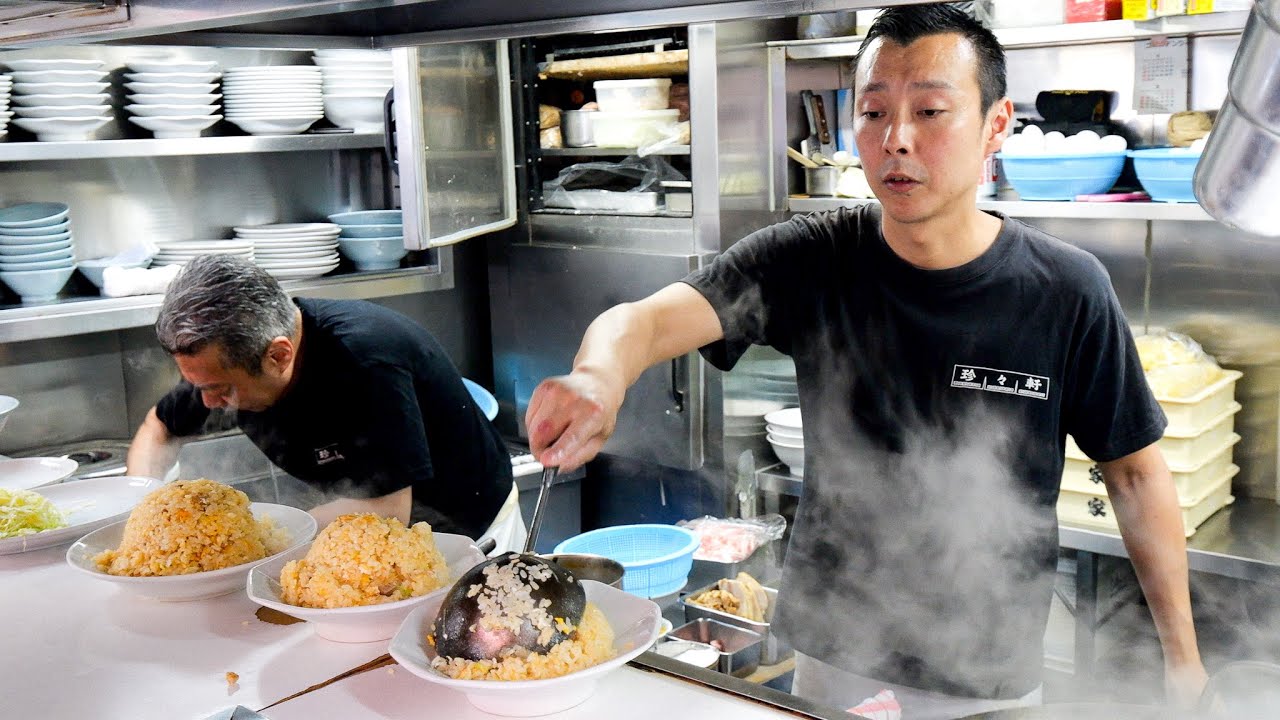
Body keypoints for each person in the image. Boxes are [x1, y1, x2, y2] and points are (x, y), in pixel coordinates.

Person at [524, 5, 1205, 718]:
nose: (897, 141)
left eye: (932, 111)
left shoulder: (1066, 290)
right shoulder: (814, 258)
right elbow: (645, 320)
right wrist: (597, 377)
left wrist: (1182, 662)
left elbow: (1135, 473)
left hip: (990, 675)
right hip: (836, 659)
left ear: (995, 125)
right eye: (874, 112)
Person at [126, 254, 523, 550]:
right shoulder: (221, 359)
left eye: (222, 389)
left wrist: (253, 536)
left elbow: (388, 511)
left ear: (279, 355)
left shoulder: (364, 362)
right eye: (200, 386)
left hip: (465, 534)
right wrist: (142, 514)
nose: (209, 402)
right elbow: (158, 429)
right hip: (365, 529)